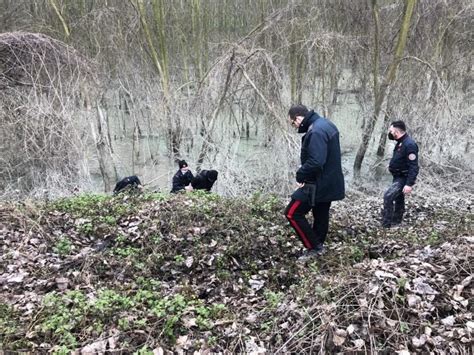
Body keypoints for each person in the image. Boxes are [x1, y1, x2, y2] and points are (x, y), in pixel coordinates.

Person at [284, 105, 345, 260]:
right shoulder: (325, 124)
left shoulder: (316, 131)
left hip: (318, 182)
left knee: (292, 212)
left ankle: (314, 247)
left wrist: (301, 175)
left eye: (293, 123)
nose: (295, 126)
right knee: (321, 213)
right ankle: (318, 247)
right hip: (330, 181)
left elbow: (316, 162)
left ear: (298, 117)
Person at [382, 120, 419, 228]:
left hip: (403, 177)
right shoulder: (400, 142)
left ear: (396, 132)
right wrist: (391, 166)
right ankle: (397, 220)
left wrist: (409, 184)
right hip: (397, 175)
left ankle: (386, 224)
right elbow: (400, 158)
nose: (389, 132)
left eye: (391, 130)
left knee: (388, 197)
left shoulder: (410, 144)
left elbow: (414, 166)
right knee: (399, 198)